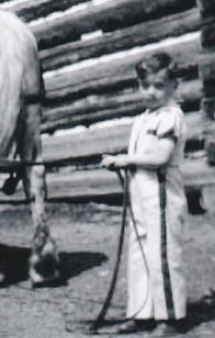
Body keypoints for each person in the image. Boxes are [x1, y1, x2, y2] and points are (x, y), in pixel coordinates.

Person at [101, 52, 187, 336]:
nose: (151, 92)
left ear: (174, 86)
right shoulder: (143, 119)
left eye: (159, 85)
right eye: (145, 85)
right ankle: (141, 314)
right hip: (140, 194)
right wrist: (118, 159)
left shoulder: (171, 118)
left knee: (161, 254)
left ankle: (170, 318)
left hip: (162, 196)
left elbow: (161, 157)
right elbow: (140, 155)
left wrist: (125, 160)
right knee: (139, 254)